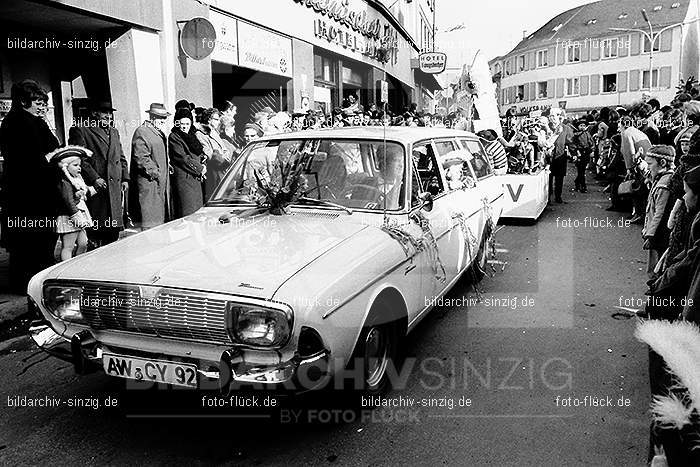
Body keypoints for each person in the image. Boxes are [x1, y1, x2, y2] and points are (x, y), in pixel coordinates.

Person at [0, 80, 60, 292]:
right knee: (31, 243)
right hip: (28, 195)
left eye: (42, 101)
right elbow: (39, 156)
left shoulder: (31, 121)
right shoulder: (18, 123)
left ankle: (30, 282)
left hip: (33, 194)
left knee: (33, 242)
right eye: (36, 101)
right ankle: (31, 285)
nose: (41, 106)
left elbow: (53, 148)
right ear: (23, 101)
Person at [68, 101, 129, 247]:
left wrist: (125, 178)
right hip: (96, 188)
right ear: (95, 113)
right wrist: (95, 178)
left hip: (113, 187)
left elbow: (121, 157)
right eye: (104, 113)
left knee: (113, 230)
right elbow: (79, 158)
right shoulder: (81, 129)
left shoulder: (114, 132)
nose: (108, 116)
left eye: (110, 113)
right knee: (97, 228)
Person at [47, 147, 96, 261]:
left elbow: (84, 193)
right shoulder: (65, 182)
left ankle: (77, 263)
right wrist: (76, 213)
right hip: (69, 216)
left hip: (79, 215)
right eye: (75, 165)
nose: (79, 168)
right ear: (65, 167)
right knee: (68, 246)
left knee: (83, 243)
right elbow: (68, 201)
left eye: (79, 165)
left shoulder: (77, 180)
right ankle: (66, 266)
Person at [130, 103, 171, 229]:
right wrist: (156, 173)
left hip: (159, 183)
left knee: (159, 220)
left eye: (164, 117)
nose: (163, 120)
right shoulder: (142, 131)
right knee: (151, 221)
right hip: (150, 183)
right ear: (152, 117)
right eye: (160, 117)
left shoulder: (156, 132)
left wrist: (167, 166)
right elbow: (141, 157)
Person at [642, 146, 675, 278]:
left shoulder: (664, 185)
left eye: (650, 164)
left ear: (662, 163)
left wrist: (650, 234)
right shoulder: (661, 178)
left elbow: (659, 213)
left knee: (656, 267)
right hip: (655, 231)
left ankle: (656, 292)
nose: (648, 167)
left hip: (658, 234)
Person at [169, 108, 206, 218]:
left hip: (195, 179)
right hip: (185, 180)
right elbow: (182, 158)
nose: (184, 126)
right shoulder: (174, 136)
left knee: (197, 213)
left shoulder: (191, 135)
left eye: (187, 123)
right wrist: (200, 168)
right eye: (182, 123)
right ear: (177, 123)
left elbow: (197, 151)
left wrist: (204, 158)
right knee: (188, 213)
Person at [620, 115, 652, 222]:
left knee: (636, 190)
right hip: (648, 162)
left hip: (638, 164)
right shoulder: (638, 132)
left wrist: (629, 167)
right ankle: (643, 214)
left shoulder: (626, 133)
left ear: (623, 124)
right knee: (644, 189)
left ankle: (639, 214)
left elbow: (628, 151)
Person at [198, 108, 233, 200]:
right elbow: (208, 152)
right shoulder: (201, 134)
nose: (218, 122)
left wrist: (225, 156)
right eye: (216, 119)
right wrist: (222, 157)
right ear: (209, 119)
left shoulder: (215, 132)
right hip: (214, 171)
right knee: (215, 197)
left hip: (222, 168)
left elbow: (225, 150)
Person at [544, 108, 575, 204]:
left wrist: (574, 153)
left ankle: (558, 196)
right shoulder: (546, 127)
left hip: (560, 155)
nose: (551, 118)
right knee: (548, 178)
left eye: (553, 116)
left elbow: (570, 142)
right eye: (550, 116)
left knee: (559, 177)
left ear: (559, 117)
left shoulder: (565, 128)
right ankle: (547, 198)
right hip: (548, 156)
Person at [572, 118, 595, 193]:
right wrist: (575, 153)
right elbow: (573, 145)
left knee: (582, 170)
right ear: (578, 126)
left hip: (586, 153)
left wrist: (592, 150)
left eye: (584, 125)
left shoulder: (587, 134)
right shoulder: (575, 135)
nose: (582, 127)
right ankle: (583, 186)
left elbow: (591, 143)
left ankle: (577, 183)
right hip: (579, 153)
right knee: (581, 170)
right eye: (581, 125)